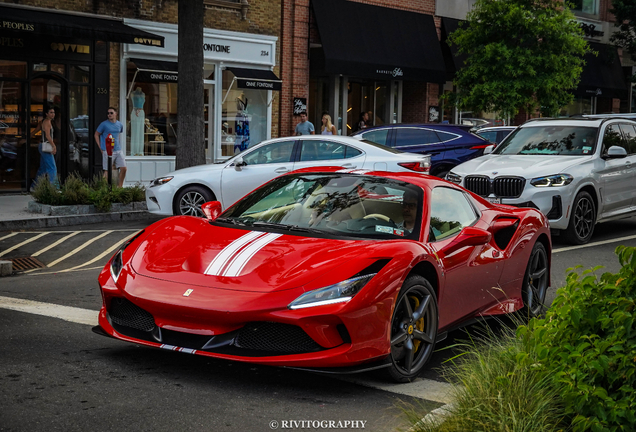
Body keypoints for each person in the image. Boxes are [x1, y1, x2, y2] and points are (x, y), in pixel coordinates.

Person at [94, 107, 127, 187]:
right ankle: (104, 189)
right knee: (107, 170)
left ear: (116, 114)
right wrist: (101, 147)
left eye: (111, 113)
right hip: (107, 150)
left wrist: (118, 143)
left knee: (123, 168)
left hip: (118, 149)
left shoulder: (119, 124)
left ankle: (119, 187)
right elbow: (96, 134)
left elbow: (118, 134)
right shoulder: (104, 124)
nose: (109, 115)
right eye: (108, 113)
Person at [32, 106, 58, 187]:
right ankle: (53, 187)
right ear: (46, 114)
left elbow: (34, 132)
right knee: (52, 167)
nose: (53, 114)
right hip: (46, 146)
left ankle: (35, 186)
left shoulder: (42, 121)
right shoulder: (47, 122)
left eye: (53, 112)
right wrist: (53, 146)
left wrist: (26, 138)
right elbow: (47, 135)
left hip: (42, 146)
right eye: (51, 112)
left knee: (43, 168)